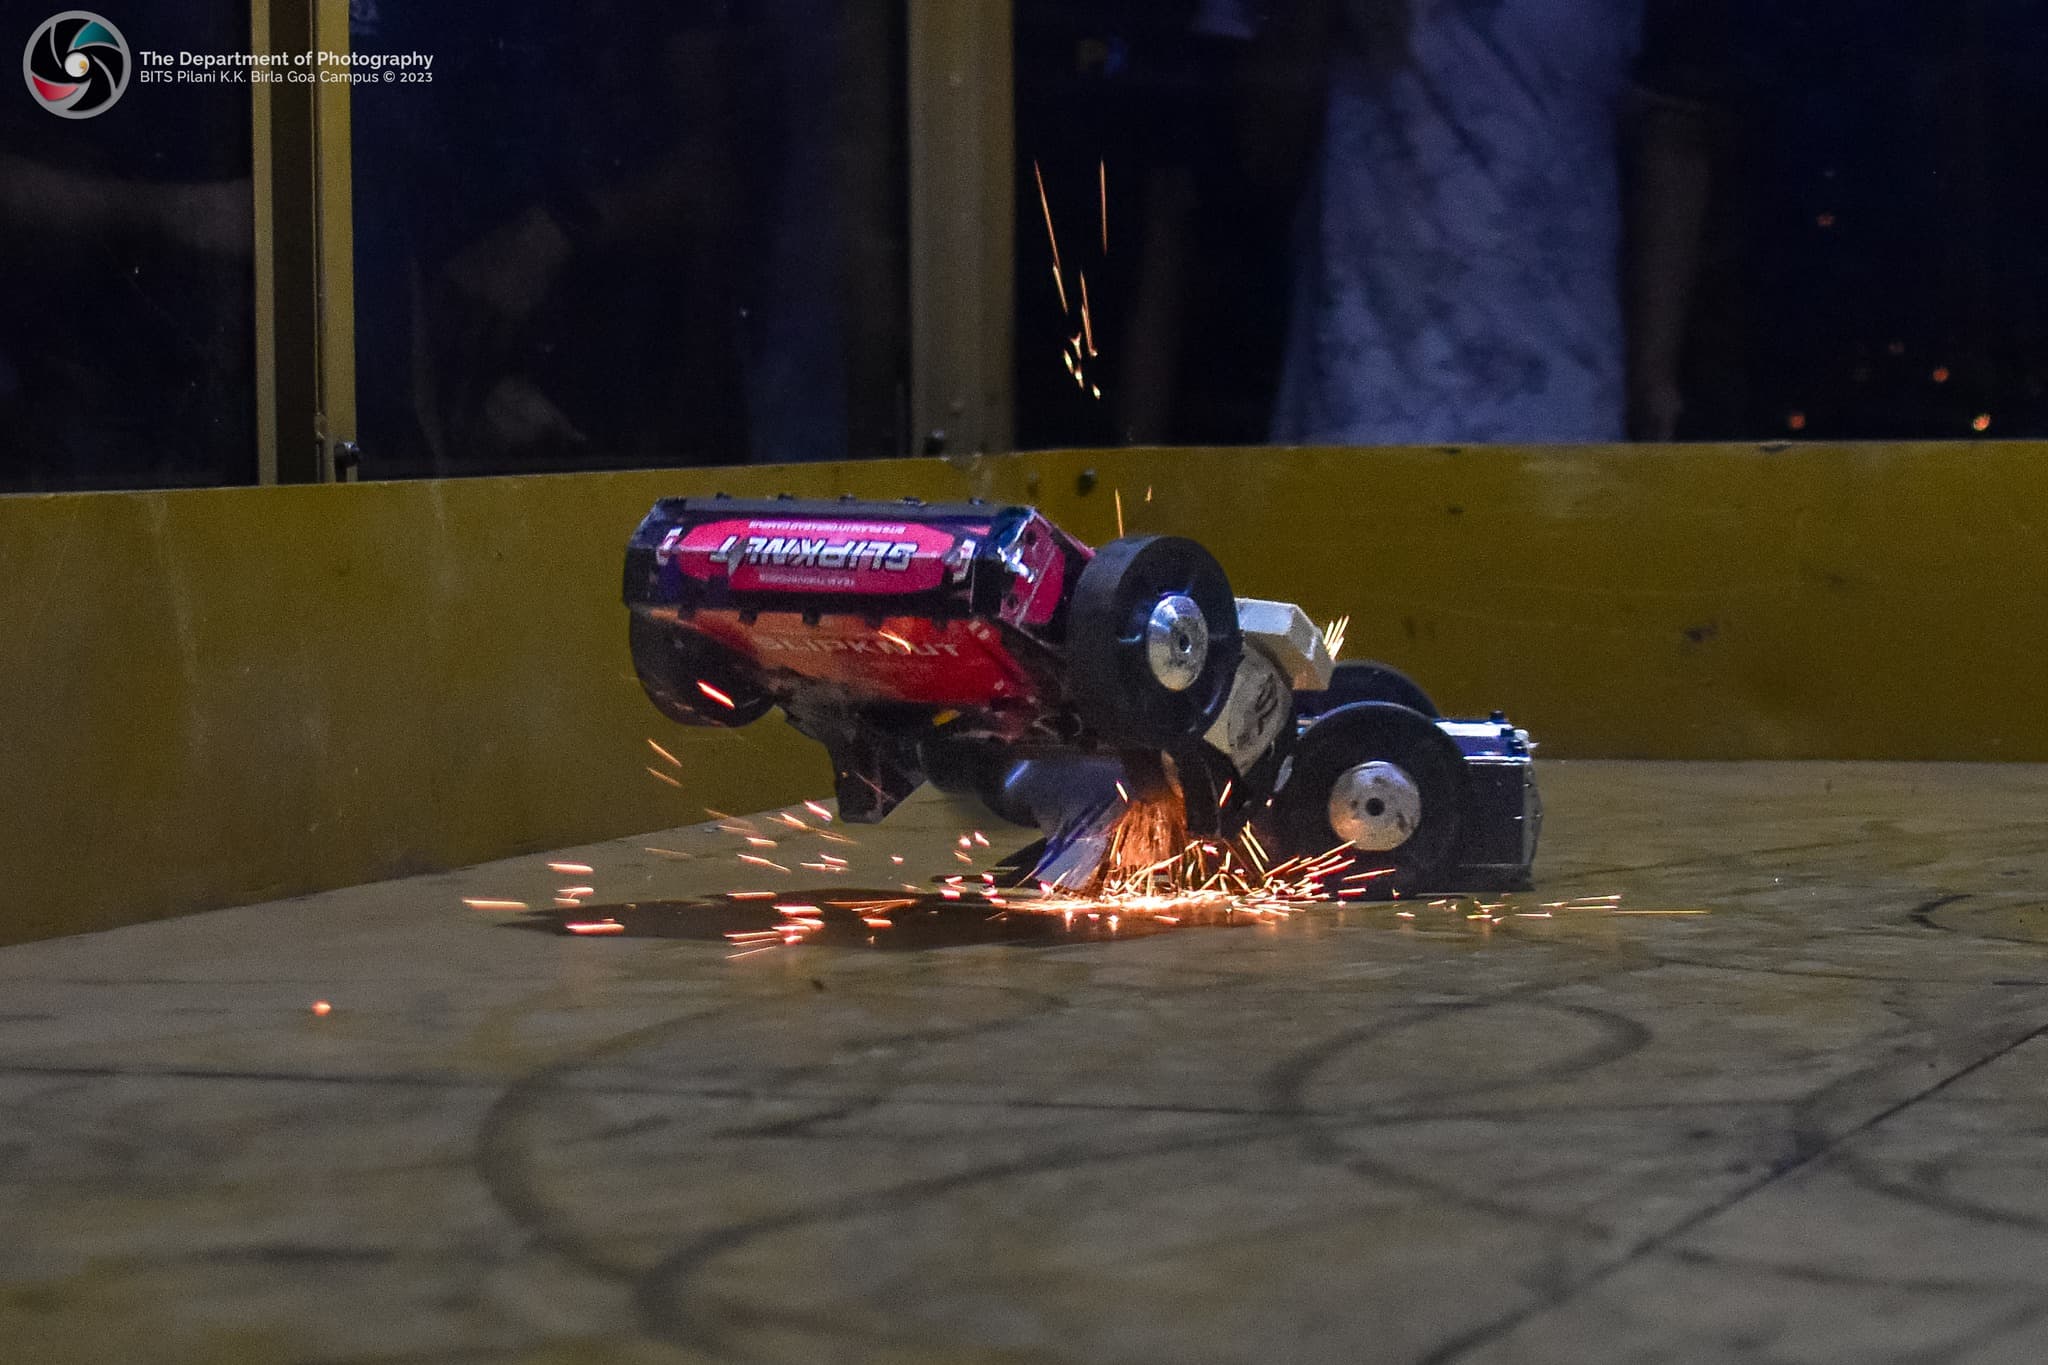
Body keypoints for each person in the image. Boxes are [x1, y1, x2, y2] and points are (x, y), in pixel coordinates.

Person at [1266, 0, 1645, 445]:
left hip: (1562, 397)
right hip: (1363, 392)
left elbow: (1674, 132)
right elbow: (1266, 158)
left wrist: (1653, 374)